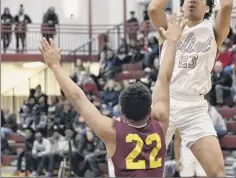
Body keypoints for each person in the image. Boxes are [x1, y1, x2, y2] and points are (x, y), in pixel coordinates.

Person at [38, 13, 187, 177]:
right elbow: (164, 78)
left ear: (121, 112)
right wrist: (172, 43)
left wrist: (54, 65)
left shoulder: (113, 132)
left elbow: (78, 98)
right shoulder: (161, 121)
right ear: (149, 110)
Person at [148, 0, 233, 177]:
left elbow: (226, 5)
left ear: (206, 8)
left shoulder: (213, 31)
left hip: (195, 106)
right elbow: (154, 8)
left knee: (217, 172)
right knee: (146, 169)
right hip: (166, 100)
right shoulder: (169, 28)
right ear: (182, 5)